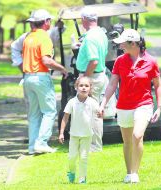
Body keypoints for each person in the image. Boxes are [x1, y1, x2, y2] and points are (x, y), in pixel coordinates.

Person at [99, 29, 161, 183]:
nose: (120, 45)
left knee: (137, 135)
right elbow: (112, 84)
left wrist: (159, 107)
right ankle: (129, 173)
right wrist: (103, 104)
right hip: (124, 105)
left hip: (144, 104)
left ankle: (135, 173)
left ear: (133, 44)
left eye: (122, 43)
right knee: (127, 141)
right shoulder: (120, 61)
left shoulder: (151, 61)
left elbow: (158, 85)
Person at [22, 9, 68, 154]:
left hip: (28, 78)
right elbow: (46, 60)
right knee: (49, 111)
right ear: (46, 22)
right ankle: (41, 143)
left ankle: (32, 146)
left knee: (34, 114)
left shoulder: (29, 37)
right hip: (40, 77)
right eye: (50, 21)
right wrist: (63, 69)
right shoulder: (44, 37)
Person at [75, 8, 108, 152]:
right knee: (93, 111)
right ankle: (92, 144)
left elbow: (93, 61)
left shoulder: (89, 38)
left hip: (92, 76)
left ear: (84, 20)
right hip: (99, 75)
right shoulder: (101, 33)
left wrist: (84, 79)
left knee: (92, 113)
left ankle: (94, 146)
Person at [59, 76, 99, 184]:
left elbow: (99, 112)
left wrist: (101, 113)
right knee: (72, 157)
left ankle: (82, 178)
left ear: (90, 88)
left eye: (86, 86)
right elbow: (65, 118)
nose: (84, 88)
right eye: (81, 85)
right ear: (76, 87)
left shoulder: (92, 102)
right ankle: (72, 172)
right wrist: (61, 133)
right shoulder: (72, 102)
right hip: (74, 135)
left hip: (87, 135)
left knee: (84, 157)